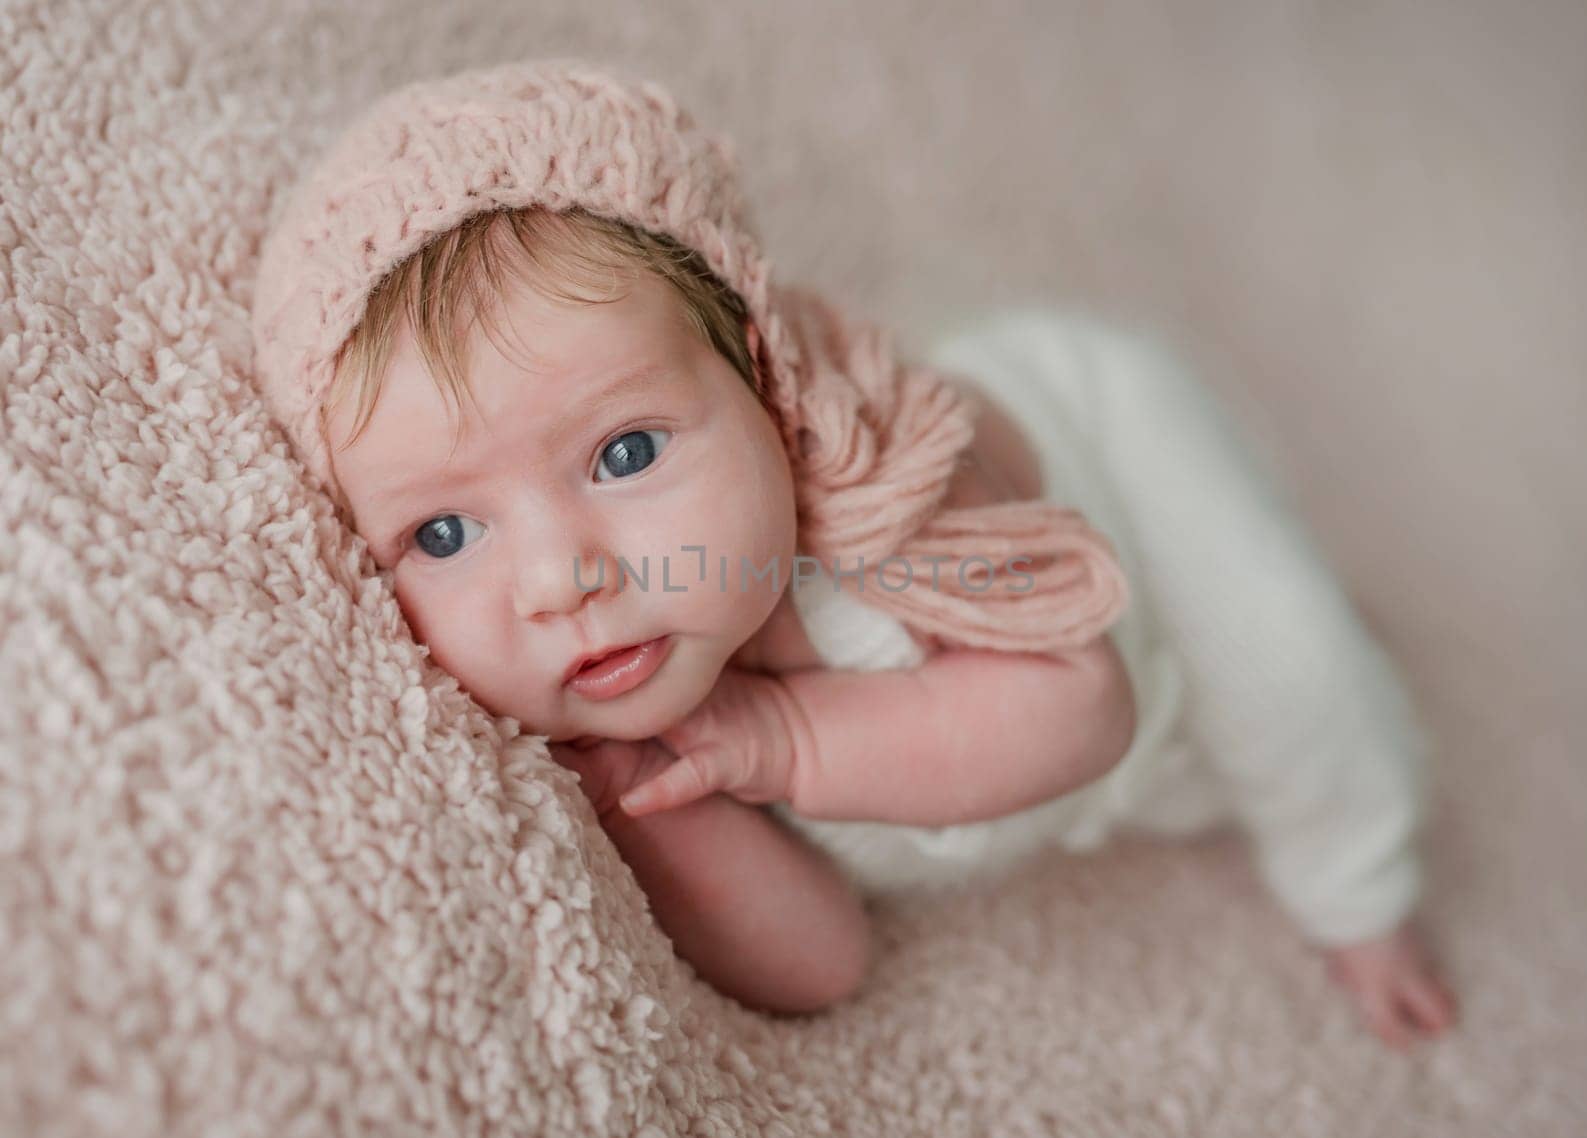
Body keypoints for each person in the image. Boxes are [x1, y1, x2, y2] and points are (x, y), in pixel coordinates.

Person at [251, 59, 1456, 1048]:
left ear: (768, 389)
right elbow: (819, 959)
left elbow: (1080, 701)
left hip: (1112, 445)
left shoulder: (889, 492)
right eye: (446, 534)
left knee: (1287, 664)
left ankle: (1364, 889)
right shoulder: (617, 691)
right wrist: (647, 802)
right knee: (1193, 765)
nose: (560, 577)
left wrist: (781, 740)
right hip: (1028, 762)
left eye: (622, 455)